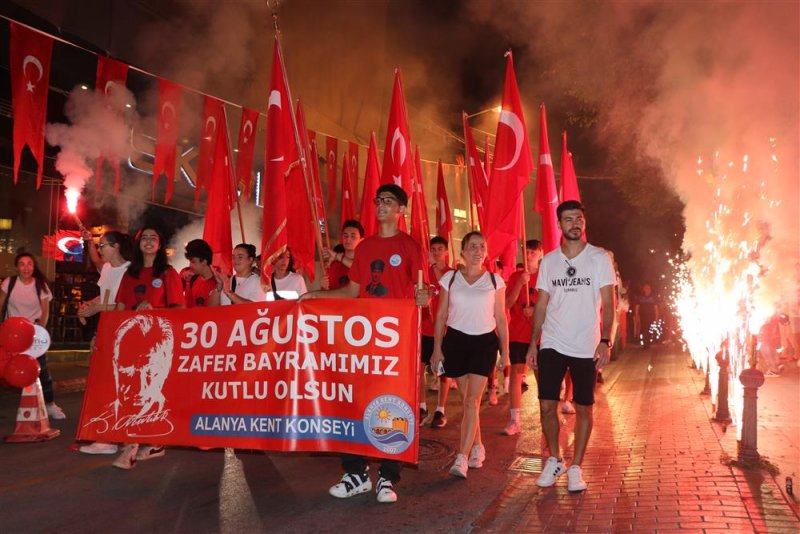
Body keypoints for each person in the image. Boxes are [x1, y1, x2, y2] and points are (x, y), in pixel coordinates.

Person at [300, 183, 428, 504]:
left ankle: (387, 476)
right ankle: (355, 474)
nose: (381, 205)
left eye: (388, 201)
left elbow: (421, 293)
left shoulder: (411, 247)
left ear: (401, 210)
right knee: (353, 402)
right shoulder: (366, 248)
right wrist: (315, 295)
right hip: (365, 339)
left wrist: (423, 297)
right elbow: (351, 292)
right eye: (378, 200)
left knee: (392, 406)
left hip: (395, 342)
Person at [526, 200, 616, 493]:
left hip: (585, 345)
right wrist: (532, 343)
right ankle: (555, 459)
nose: (574, 223)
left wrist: (605, 340)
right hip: (552, 341)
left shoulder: (599, 258)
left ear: (583, 222)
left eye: (578, 218)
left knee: (584, 408)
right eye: (568, 219)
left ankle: (576, 467)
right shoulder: (549, 261)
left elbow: (608, 302)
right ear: (560, 225)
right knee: (547, 406)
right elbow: (541, 304)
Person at [430, 231, 509, 479]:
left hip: (484, 343)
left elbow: (501, 319)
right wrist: (436, 349)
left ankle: (461, 457)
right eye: (472, 246)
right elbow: (441, 315)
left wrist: (505, 352)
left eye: (481, 247)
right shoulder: (450, 279)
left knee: (472, 402)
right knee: (468, 403)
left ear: (486, 252)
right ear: (462, 251)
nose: (477, 251)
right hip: (455, 341)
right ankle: (477, 446)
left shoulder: (495, 281)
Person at [113, 225, 184, 469]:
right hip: (131, 343)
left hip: (157, 344)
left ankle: (148, 443)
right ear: (138, 244)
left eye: (154, 237)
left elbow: (179, 310)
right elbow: (120, 308)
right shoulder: (129, 274)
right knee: (128, 390)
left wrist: (155, 311)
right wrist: (107, 336)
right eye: (144, 237)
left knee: (151, 391)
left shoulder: (167, 273)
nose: (149, 241)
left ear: (160, 244)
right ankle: (133, 442)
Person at [77, 230, 134, 455]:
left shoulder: (129, 271)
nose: (100, 250)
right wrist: (89, 306)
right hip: (106, 329)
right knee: (104, 383)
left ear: (117, 246)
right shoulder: (109, 269)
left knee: (114, 384)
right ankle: (109, 436)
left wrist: (98, 308)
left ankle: (110, 438)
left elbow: (126, 305)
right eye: (99, 246)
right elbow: (106, 297)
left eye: (103, 246)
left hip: (123, 332)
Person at [0, 252, 64, 420]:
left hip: (32, 335)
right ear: (17, 267)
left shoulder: (40, 285)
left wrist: (40, 331)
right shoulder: (10, 282)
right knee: (3, 368)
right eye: (22, 264)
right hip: (11, 335)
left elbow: (45, 311)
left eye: (29, 264)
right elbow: (0, 303)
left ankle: (50, 405)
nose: (26, 267)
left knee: (42, 371)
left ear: (34, 266)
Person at [503, 239, 543, 435]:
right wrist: (520, 283)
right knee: (517, 374)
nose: (528, 256)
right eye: (525, 252)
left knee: (542, 375)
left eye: (533, 252)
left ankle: (547, 415)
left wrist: (534, 310)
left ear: (541, 254)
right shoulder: (515, 276)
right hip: (518, 333)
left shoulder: (546, 276)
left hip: (541, 334)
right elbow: (507, 303)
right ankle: (514, 419)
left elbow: (553, 304)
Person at [420, 236, 454, 428]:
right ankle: (422, 407)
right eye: (433, 249)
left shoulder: (452, 274)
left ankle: (440, 409)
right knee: (419, 368)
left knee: (442, 372)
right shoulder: (424, 273)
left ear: (446, 252)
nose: (437, 252)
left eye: (440, 249)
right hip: (425, 327)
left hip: (445, 329)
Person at [322, 220, 364, 290]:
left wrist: (337, 256)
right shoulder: (334, 265)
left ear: (361, 240)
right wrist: (324, 288)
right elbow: (329, 293)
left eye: (353, 236)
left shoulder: (365, 260)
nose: (348, 239)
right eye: (345, 236)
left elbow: (359, 269)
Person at [183, 239, 221, 308]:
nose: (190, 265)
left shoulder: (222, 279)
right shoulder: (192, 279)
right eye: (190, 261)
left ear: (204, 261)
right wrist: (187, 283)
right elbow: (188, 309)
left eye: (193, 262)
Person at [634, 282, 660, 348]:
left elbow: (656, 308)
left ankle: (648, 342)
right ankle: (645, 343)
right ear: (643, 289)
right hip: (642, 316)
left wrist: (657, 317)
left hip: (651, 316)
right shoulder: (640, 297)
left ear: (650, 289)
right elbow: (637, 307)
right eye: (646, 288)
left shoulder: (653, 297)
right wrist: (637, 315)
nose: (647, 289)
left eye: (648, 288)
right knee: (644, 329)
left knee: (649, 329)